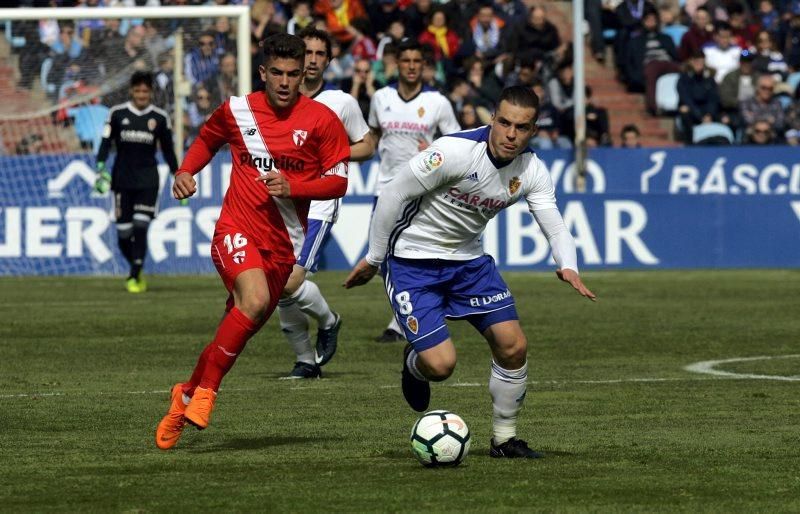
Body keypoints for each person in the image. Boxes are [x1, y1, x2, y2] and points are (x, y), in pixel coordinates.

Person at [344, 86, 596, 459]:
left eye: (521, 127)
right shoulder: (454, 151)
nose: (511, 134)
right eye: (505, 123)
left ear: (533, 130)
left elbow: (555, 226)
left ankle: (504, 439)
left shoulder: (531, 170)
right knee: (441, 366)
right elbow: (394, 194)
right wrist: (376, 258)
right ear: (491, 119)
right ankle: (414, 364)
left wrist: (568, 265)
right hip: (413, 261)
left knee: (514, 345)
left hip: (470, 264)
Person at [155, 33, 350, 450]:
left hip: (283, 246)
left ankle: (186, 393)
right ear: (263, 72)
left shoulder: (322, 121)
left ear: (303, 76)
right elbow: (208, 138)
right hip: (235, 229)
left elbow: (338, 182)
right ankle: (206, 396)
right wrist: (187, 171)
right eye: (276, 73)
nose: (284, 82)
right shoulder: (238, 111)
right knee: (256, 300)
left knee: (240, 324)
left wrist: (295, 186)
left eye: (293, 75)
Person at [276, 28, 375, 379]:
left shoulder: (341, 102)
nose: (314, 59)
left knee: (288, 281)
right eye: (309, 52)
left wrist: (332, 154)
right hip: (281, 202)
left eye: (321, 54)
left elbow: (367, 145)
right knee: (278, 285)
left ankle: (330, 321)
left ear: (329, 61)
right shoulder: (277, 98)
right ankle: (305, 361)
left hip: (318, 201)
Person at [367, 38, 461, 343]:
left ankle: (401, 321)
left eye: (416, 61)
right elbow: (373, 135)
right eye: (405, 60)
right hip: (384, 187)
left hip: (422, 191)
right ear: (396, 63)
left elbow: (459, 145)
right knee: (381, 259)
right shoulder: (381, 98)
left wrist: (433, 148)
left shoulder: (438, 103)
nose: (410, 66)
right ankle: (410, 313)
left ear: (425, 66)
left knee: (412, 256)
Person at [94, 71, 178, 293]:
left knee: (141, 226)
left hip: (148, 180)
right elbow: (105, 143)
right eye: (138, 90)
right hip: (121, 180)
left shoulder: (159, 118)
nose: (142, 95)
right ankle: (136, 265)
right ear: (131, 91)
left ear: (150, 92)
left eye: (145, 91)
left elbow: (168, 150)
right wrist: (100, 166)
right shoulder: (117, 114)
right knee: (123, 234)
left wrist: (177, 174)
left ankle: (133, 274)